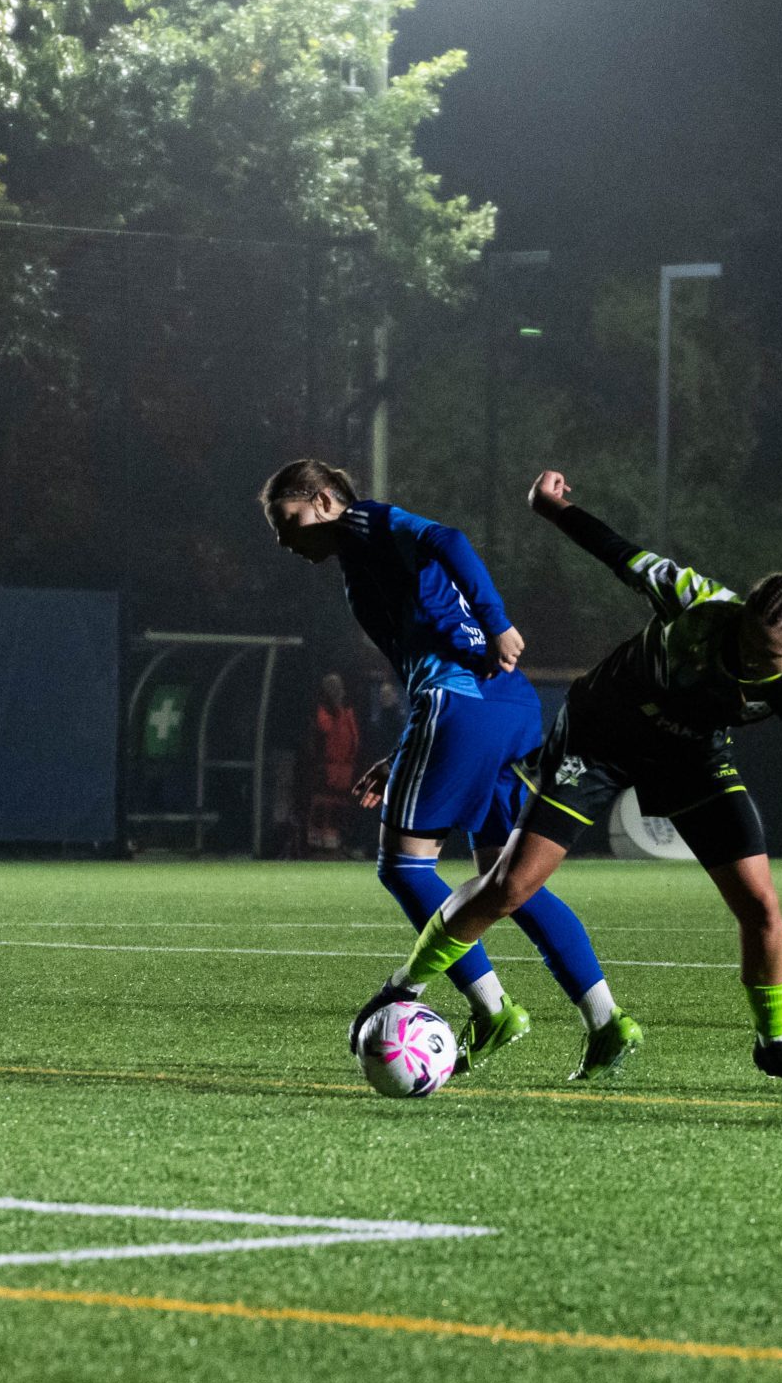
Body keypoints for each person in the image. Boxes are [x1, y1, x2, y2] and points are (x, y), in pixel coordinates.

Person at [350, 469, 782, 1096]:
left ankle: (777, 1048)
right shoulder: (699, 601)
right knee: (510, 885)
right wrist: (553, 508)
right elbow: (618, 553)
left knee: (761, 906)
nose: (749, 659)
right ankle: (402, 988)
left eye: (767, 655)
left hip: (691, 755)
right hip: (599, 736)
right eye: (747, 640)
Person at [261, 458, 637, 1076]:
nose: (285, 539)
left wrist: (497, 620)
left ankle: (489, 1009)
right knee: (507, 881)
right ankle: (607, 1021)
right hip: (503, 706)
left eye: (290, 519)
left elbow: (449, 539)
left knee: (405, 867)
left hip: (460, 704)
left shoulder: (362, 523)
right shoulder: (364, 559)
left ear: (324, 500)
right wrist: (403, 753)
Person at [302, 671, 362, 854]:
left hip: (344, 768)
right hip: (326, 766)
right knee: (322, 803)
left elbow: (353, 738)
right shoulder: (323, 710)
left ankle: (334, 840)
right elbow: (324, 730)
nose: (338, 690)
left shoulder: (347, 711)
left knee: (338, 804)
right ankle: (315, 842)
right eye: (333, 687)